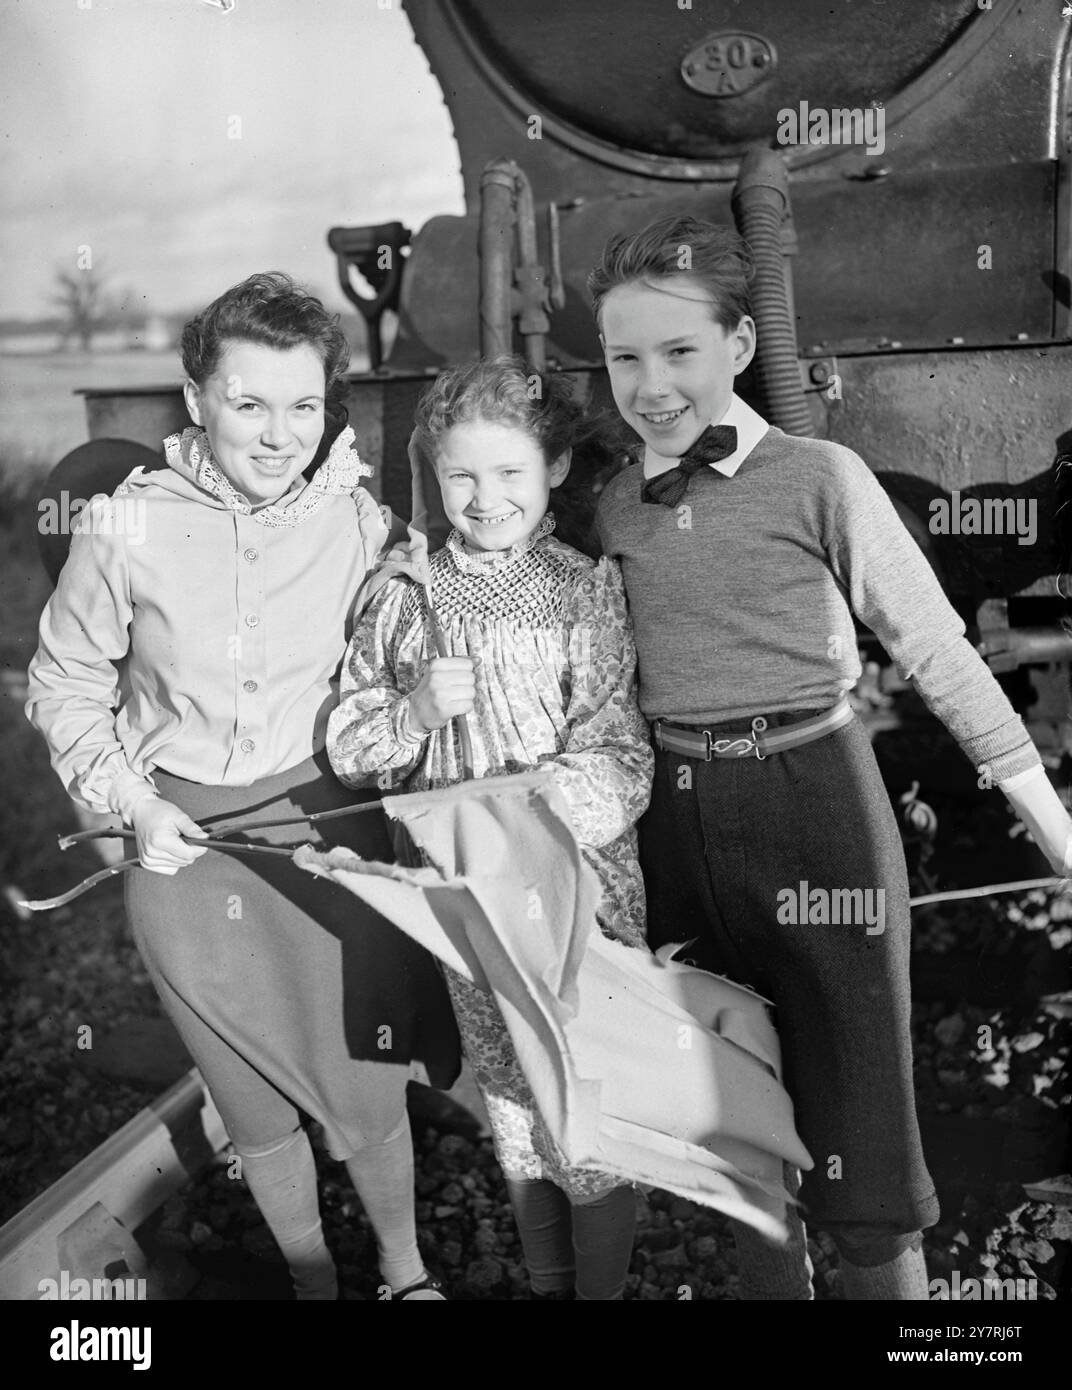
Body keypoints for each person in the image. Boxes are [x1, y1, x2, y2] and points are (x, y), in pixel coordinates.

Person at [588, 215, 1072, 1301]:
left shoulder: (822, 475)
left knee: (859, 1126)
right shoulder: (616, 504)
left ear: (740, 347)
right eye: (627, 356)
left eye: (680, 351)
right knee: (734, 1122)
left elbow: (934, 649)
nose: (652, 385)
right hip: (675, 820)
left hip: (817, 809)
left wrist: (1053, 825)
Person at [26, 272, 460, 1302]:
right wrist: (132, 803)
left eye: (302, 406)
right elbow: (63, 680)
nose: (277, 435)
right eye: (249, 402)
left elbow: (417, 656)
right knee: (249, 1097)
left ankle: (403, 1274)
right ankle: (313, 1283)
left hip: (325, 840)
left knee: (362, 1079)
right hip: (182, 850)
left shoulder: (359, 524)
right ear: (196, 401)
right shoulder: (127, 522)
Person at [326, 356, 653, 1301]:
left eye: (508, 473)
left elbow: (623, 754)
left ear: (552, 471)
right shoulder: (404, 595)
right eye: (460, 476)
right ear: (432, 477)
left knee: (584, 1102)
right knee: (512, 1099)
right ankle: (550, 1286)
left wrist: (534, 812)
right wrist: (417, 714)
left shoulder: (583, 589)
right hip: (463, 903)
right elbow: (353, 745)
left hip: (572, 894)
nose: (484, 497)